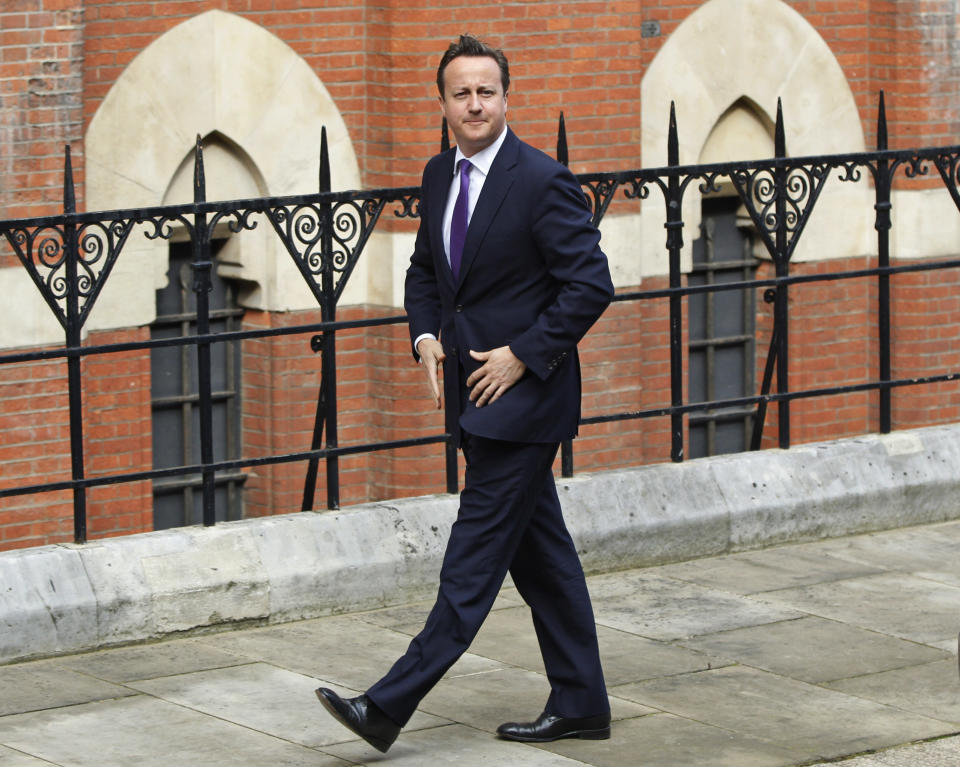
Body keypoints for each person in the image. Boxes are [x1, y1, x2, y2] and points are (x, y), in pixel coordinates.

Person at [316, 33, 614, 754]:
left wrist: (522, 355)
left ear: (505, 97)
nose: (475, 103)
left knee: (469, 565)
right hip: (473, 403)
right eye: (462, 92)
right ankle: (582, 700)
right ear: (443, 102)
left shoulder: (541, 180)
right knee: (542, 556)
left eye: (487, 91)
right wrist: (424, 338)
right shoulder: (437, 174)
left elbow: (591, 284)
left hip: (524, 403)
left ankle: (385, 706)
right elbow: (424, 273)